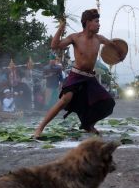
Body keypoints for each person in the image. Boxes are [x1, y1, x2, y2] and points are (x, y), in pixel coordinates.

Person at [34, 9, 123, 138]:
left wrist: (120, 54)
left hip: (90, 78)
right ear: (87, 22)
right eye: (96, 21)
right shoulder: (75, 38)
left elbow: (114, 46)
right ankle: (40, 128)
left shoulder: (99, 39)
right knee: (65, 99)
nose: (99, 24)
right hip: (76, 75)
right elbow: (55, 45)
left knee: (108, 103)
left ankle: (88, 124)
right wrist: (61, 28)